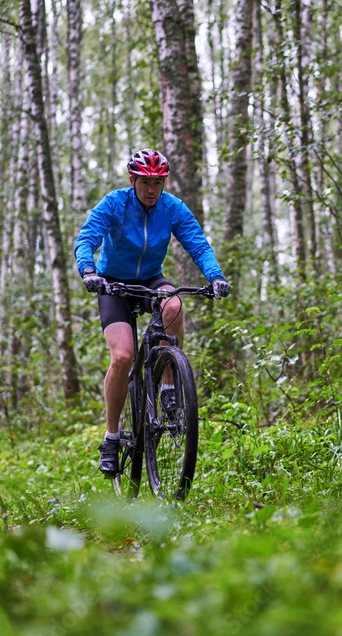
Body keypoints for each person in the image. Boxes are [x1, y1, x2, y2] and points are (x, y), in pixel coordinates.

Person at [74, 148, 230, 476]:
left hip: (149, 282)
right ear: (133, 180)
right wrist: (89, 271)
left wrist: (215, 276)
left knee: (173, 303)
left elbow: (197, 243)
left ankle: (169, 388)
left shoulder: (172, 208)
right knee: (123, 357)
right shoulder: (115, 203)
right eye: (145, 182)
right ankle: (112, 438)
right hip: (113, 285)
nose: (151, 189)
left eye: (157, 182)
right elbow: (87, 237)